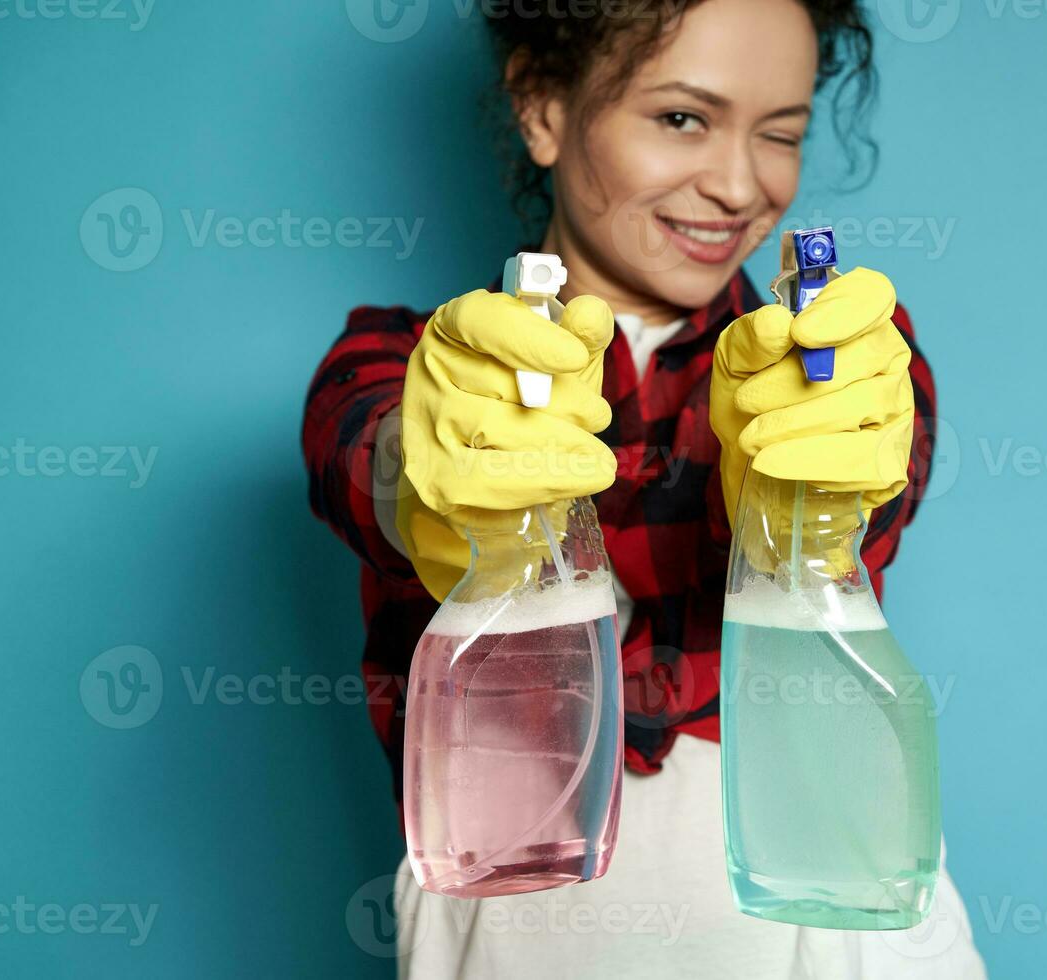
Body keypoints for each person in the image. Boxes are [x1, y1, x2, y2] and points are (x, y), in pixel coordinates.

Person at [302, 0, 987, 976]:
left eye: (782, 133)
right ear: (542, 104)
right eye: (682, 118)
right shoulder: (392, 361)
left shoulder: (845, 357)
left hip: (826, 912)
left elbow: (880, 491)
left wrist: (823, 484)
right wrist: (439, 483)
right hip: (516, 920)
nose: (742, 184)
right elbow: (365, 456)